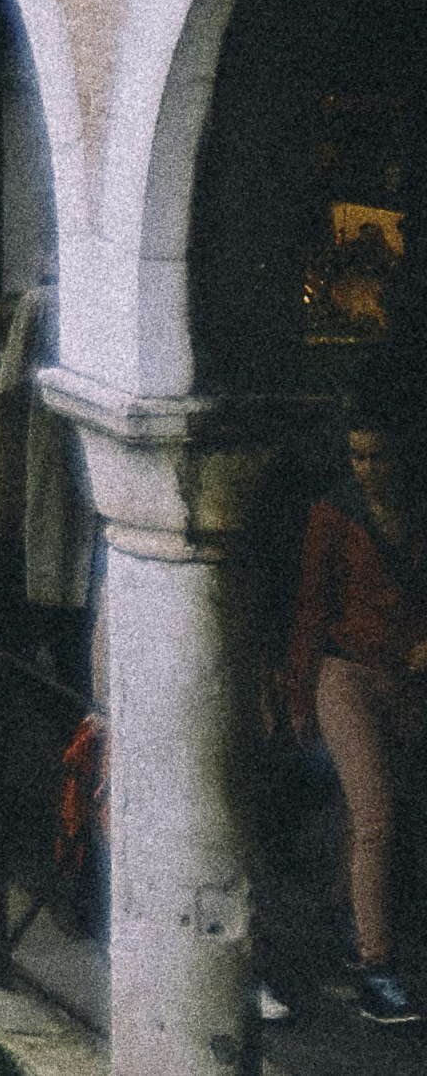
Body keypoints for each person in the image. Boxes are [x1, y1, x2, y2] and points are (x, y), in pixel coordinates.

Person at [282, 404, 427, 1024]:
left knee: (366, 813)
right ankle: (375, 968)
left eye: (377, 455)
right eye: (356, 455)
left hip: (408, 679)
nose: (366, 468)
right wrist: (296, 694)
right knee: (375, 814)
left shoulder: (419, 509)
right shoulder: (333, 514)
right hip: (343, 673)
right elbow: (312, 606)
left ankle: (344, 930)